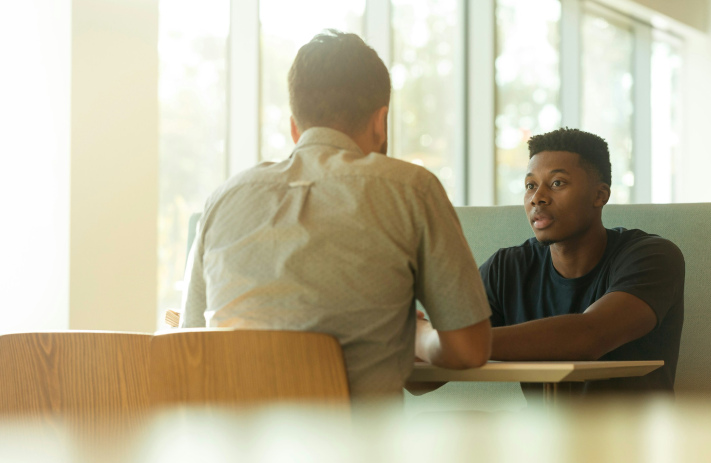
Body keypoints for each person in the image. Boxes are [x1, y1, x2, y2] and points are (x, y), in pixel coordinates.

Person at [179, 30, 491, 398]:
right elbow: (469, 350)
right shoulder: (412, 189)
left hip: (231, 449)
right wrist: (417, 336)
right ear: (381, 122)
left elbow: (189, 345)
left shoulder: (223, 199)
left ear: (295, 127)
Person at [479, 128, 684, 394]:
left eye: (557, 183)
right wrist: (422, 340)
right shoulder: (506, 268)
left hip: (633, 434)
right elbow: (422, 380)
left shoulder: (653, 257)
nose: (537, 197)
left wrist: (452, 343)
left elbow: (588, 337)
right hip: (542, 433)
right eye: (530, 185)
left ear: (600, 195)